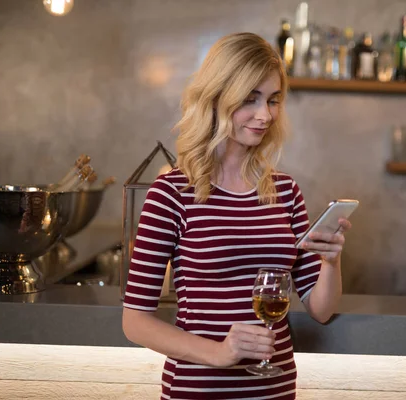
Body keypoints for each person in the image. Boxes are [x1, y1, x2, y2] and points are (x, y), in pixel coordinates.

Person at [122, 32, 352, 400]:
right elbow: (135, 322)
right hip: (197, 391)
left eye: (273, 100)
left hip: (274, 391)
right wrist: (219, 353)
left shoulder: (286, 191)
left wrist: (331, 260)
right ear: (216, 97)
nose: (265, 115)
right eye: (250, 99)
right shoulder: (171, 193)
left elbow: (321, 310)